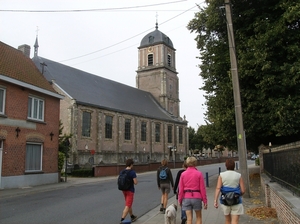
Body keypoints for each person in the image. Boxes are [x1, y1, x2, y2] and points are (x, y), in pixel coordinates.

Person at [213, 158, 245, 224]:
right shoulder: (238, 175)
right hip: (236, 200)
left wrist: (215, 200)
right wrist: (239, 194)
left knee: (227, 220)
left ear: (226, 166)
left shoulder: (221, 175)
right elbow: (243, 190)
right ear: (234, 166)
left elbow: (218, 188)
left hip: (225, 200)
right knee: (235, 221)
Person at [178, 156, 207, 224]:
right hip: (197, 197)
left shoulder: (183, 174)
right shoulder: (199, 174)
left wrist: (180, 200)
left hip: (186, 197)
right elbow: (202, 188)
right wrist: (205, 201)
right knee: (198, 217)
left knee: (189, 219)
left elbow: (181, 189)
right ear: (195, 163)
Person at [120, 159, 138, 224]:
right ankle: (122, 219)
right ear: (131, 165)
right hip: (130, 190)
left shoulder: (122, 171)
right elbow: (135, 182)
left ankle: (132, 216)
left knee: (128, 203)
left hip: (123, 190)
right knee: (128, 205)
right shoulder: (132, 172)